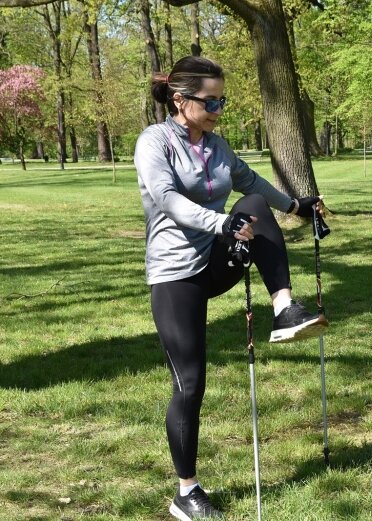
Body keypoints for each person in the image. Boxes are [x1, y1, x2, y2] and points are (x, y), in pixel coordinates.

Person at [134, 56, 328, 521]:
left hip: (220, 259)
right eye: (211, 99)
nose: (220, 107)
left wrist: (296, 206)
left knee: (256, 203)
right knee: (190, 384)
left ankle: (283, 310)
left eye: (223, 98)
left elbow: (251, 183)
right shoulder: (154, 142)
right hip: (175, 275)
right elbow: (168, 199)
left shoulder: (217, 146)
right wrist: (222, 222)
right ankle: (187, 492)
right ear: (180, 101)